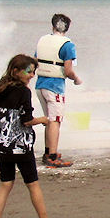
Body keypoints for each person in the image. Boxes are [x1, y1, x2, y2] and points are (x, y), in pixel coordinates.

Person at [0, 54, 59, 218]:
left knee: (6, 183)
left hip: (1, 144)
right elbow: (26, 120)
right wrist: (42, 120)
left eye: (34, 72)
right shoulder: (23, 92)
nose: (32, 75)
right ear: (15, 71)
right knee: (32, 183)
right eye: (28, 71)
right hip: (19, 146)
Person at [34, 13, 83, 167]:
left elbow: (34, 62)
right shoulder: (68, 45)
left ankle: (48, 152)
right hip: (54, 87)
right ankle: (53, 156)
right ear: (67, 28)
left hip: (40, 84)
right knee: (55, 121)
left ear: (53, 26)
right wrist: (76, 79)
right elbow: (68, 71)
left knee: (49, 120)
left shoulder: (43, 40)